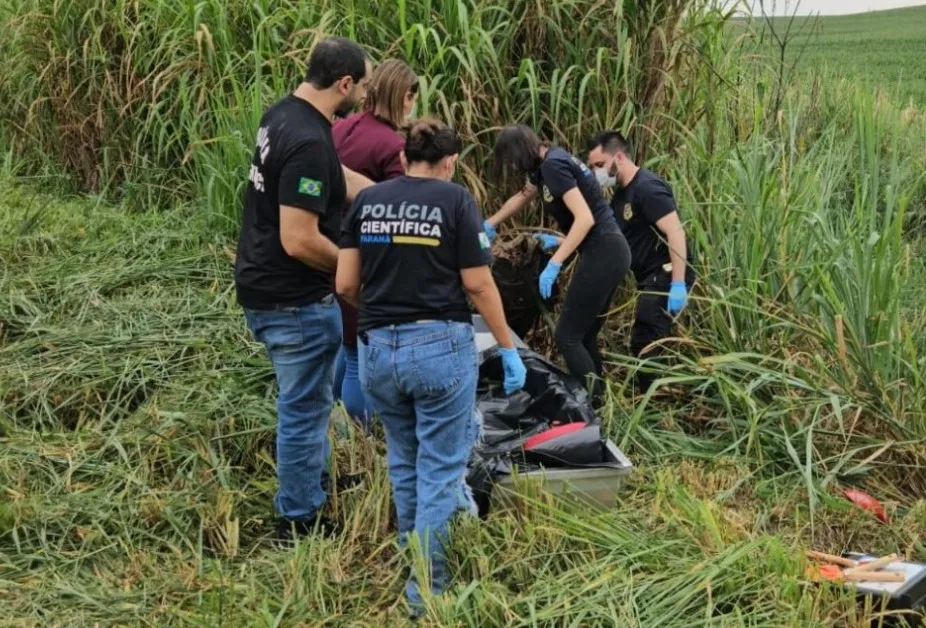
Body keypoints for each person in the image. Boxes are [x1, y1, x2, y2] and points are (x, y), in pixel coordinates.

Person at [336, 119, 527, 612]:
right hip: (439, 350)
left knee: (403, 458)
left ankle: (411, 554)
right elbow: (479, 286)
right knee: (441, 469)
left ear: (403, 159)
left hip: (377, 349)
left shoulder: (368, 202)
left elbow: (345, 284)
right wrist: (507, 348)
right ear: (449, 162)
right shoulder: (457, 201)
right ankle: (428, 593)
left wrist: (382, 314)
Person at [233, 36, 375, 543]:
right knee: (304, 407)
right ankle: (299, 517)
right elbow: (299, 239)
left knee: (311, 400)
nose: (365, 94)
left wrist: (387, 195)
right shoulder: (310, 140)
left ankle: (312, 484)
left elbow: (331, 176)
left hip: (264, 284)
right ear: (344, 83)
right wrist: (358, 271)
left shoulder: (285, 115)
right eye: (363, 85)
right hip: (291, 299)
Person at [485, 125, 631, 404]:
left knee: (567, 336)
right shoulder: (547, 163)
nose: (513, 166)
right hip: (609, 249)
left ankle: (596, 406)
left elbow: (585, 218)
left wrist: (555, 261)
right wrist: (490, 223)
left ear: (521, 151)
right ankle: (599, 404)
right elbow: (523, 196)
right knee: (584, 336)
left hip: (603, 249)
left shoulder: (553, 166)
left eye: (513, 160)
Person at [331, 59, 419, 426]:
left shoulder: (341, 128)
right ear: (405, 97)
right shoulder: (393, 147)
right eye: (413, 97)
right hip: (364, 256)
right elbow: (401, 211)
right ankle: (360, 434)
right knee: (357, 355)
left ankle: (333, 418)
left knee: (343, 342)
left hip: (329, 248)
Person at [587, 130, 695, 388]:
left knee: (645, 339)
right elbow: (604, 235)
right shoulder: (621, 196)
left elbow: (675, 232)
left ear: (620, 157)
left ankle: (652, 399)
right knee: (651, 338)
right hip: (649, 277)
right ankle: (662, 389)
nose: (596, 173)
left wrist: (678, 283)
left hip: (667, 273)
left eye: (600, 165)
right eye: (592, 167)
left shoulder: (647, 188)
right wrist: (559, 242)